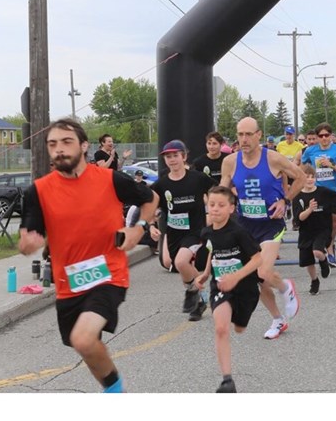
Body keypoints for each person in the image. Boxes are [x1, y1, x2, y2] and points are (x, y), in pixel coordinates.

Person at [19, 118, 158, 393]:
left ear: (84, 146)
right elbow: (29, 234)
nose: (59, 149)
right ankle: (114, 389)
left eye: (66, 142)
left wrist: (137, 228)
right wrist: (28, 243)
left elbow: (150, 198)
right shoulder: (39, 190)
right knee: (84, 345)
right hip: (67, 283)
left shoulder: (111, 179)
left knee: (83, 339)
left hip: (108, 273)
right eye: (53, 144)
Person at [220, 117, 306, 339]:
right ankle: (278, 320)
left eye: (249, 134)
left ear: (259, 135)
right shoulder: (230, 161)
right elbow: (222, 191)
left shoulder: (274, 159)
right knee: (257, 280)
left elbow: (301, 177)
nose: (244, 139)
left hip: (270, 224)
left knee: (264, 272)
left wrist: (285, 200)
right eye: (240, 134)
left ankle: (286, 286)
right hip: (245, 225)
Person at [194, 186, 263, 393]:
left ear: (231, 208)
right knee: (221, 328)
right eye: (211, 204)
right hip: (221, 286)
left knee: (239, 329)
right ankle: (227, 381)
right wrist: (206, 274)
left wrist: (236, 276)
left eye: (221, 205)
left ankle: (238, 315)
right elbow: (211, 253)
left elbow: (258, 258)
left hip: (246, 287)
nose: (215, 209)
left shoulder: (239, 232)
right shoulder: (206, 232)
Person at [148, 139, 216, 321]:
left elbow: (217, 192)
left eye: (175, 155)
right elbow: (153, 208)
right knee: (183, 267)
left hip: (196, 231)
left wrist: (215, 211)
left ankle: (194, 293)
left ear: (184, 156)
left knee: (180, 262)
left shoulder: (197, 178)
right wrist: (152, 225)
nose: (172, 160)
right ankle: (199, 299)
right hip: (174, 233)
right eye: (168, 157)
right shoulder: (161, 185)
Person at [300, 122, 336, 267]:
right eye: (321, 136)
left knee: (333, 222)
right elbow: (302, 169)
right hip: (316, 190)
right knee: (317, 221)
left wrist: (331, 165)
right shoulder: (310, 151)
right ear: (316, 137)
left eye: (326, 135)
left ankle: (330, 247)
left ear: (331, 136)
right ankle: (319, 245)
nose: (324, 138)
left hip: (333, 191)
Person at [292, 164, 336, 295]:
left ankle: (324, 261)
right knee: (307, 261)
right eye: (306, 177)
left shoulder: (323, 192)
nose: (309, 179)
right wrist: (309, 209)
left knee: (317, 252)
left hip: (323, 229)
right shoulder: (298, 196)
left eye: (312, 177)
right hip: (305, 231)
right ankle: (315, 280)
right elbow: (299, 218)